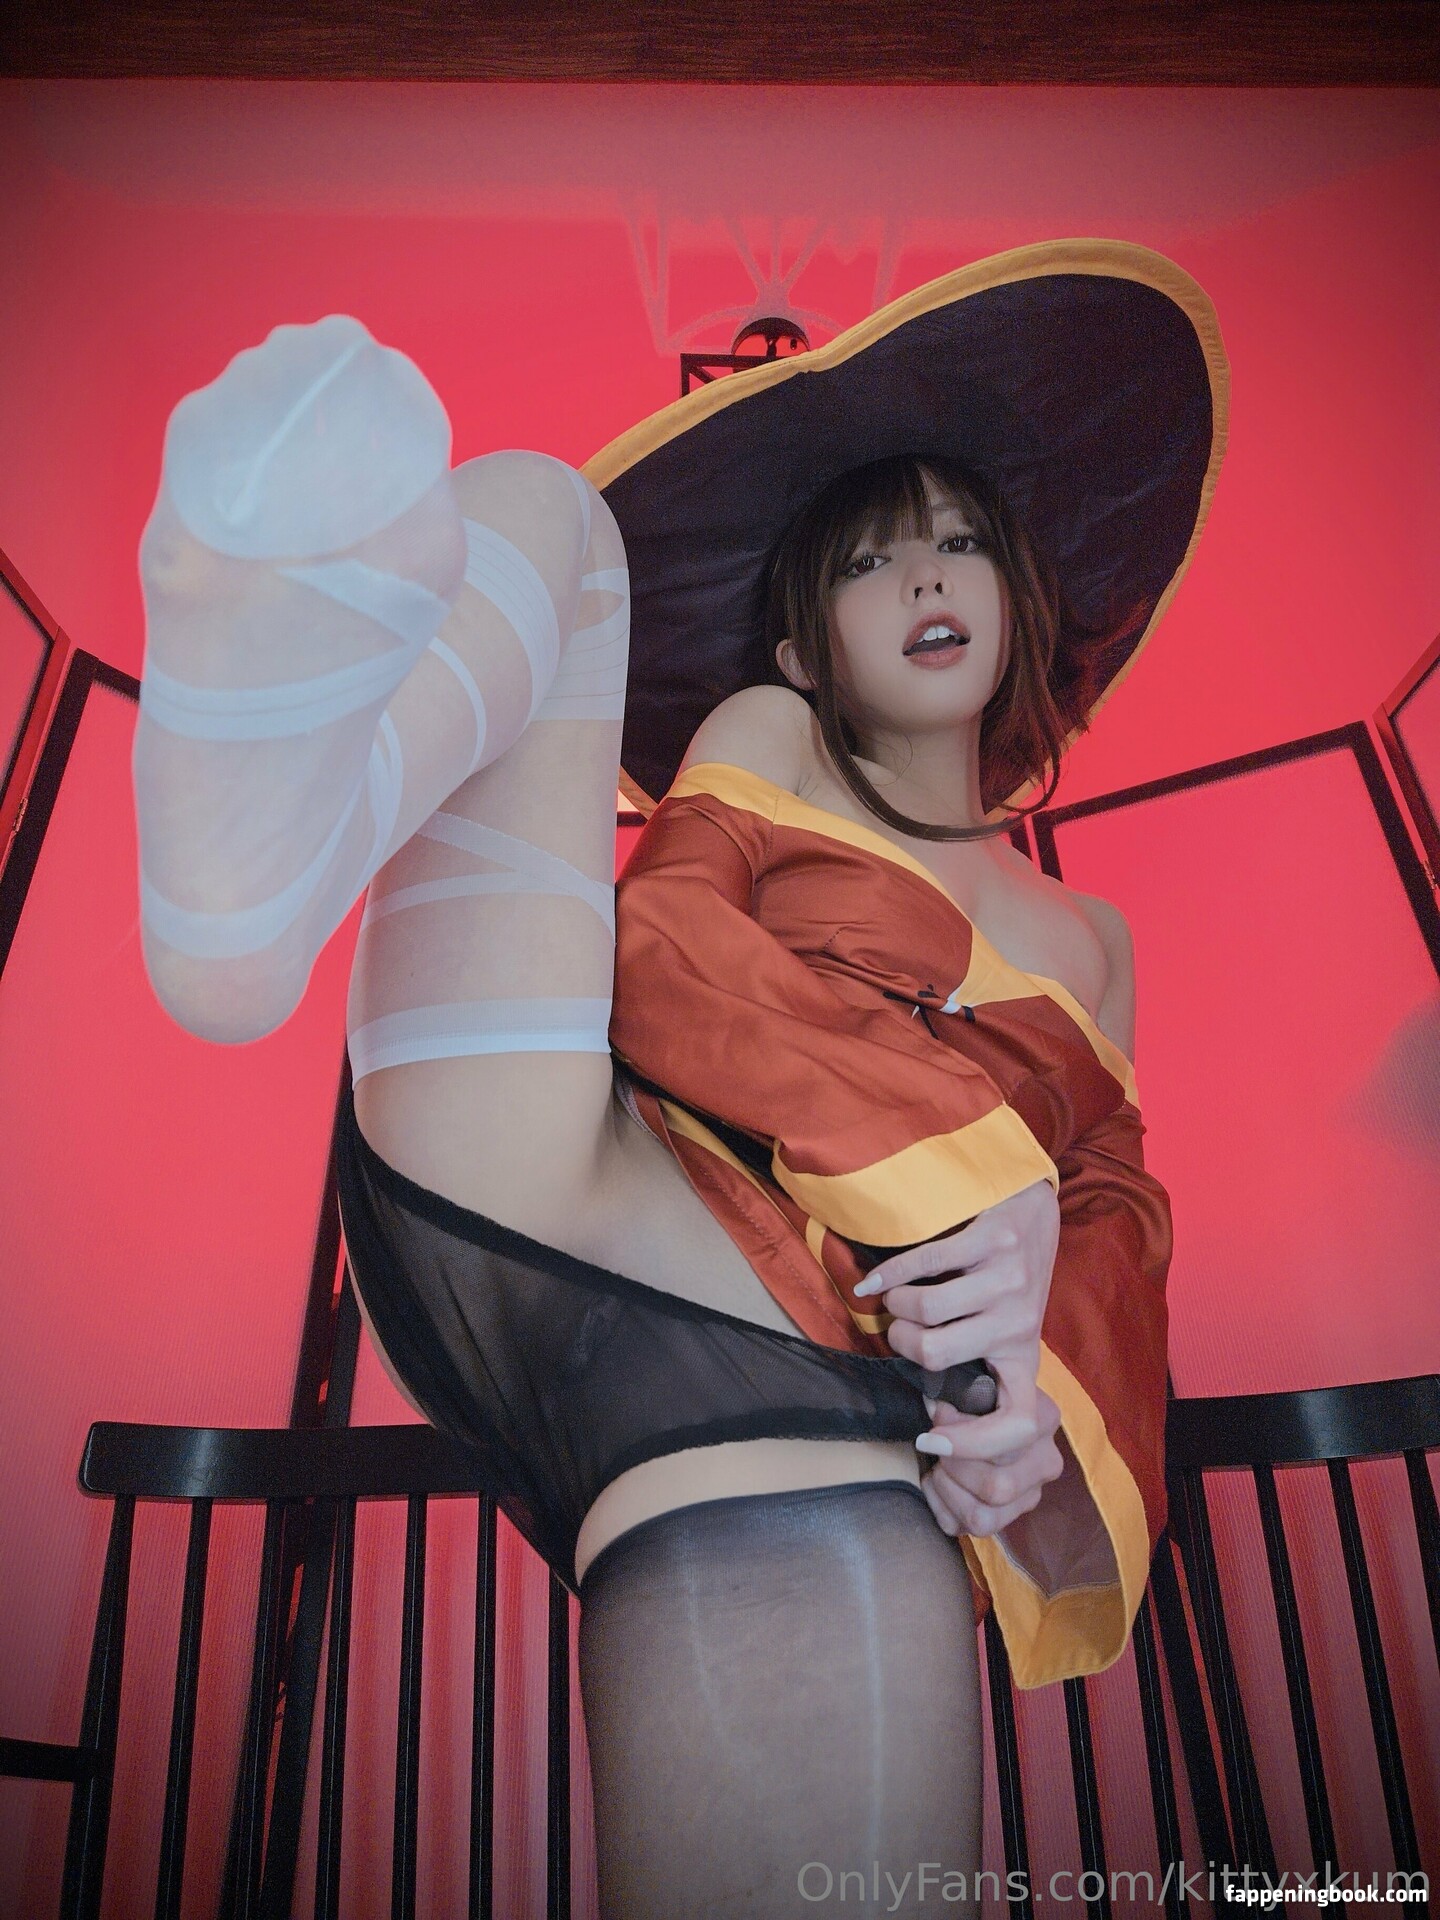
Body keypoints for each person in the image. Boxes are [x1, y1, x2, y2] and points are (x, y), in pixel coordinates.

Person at [132, 241, 1227, 1917]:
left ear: (1019, 590)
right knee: (542, 511)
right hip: (578, 1186)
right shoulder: (767, 744)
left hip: (803, 1376)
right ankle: (251, 871)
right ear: (800, 646)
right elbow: (659, 954)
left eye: (955, 541)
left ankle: (281, 814)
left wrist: (1032, 1396)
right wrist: (965, 1162)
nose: (922, 578)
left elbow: (1116, 1219)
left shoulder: (1094, 937)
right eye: (866, 562)